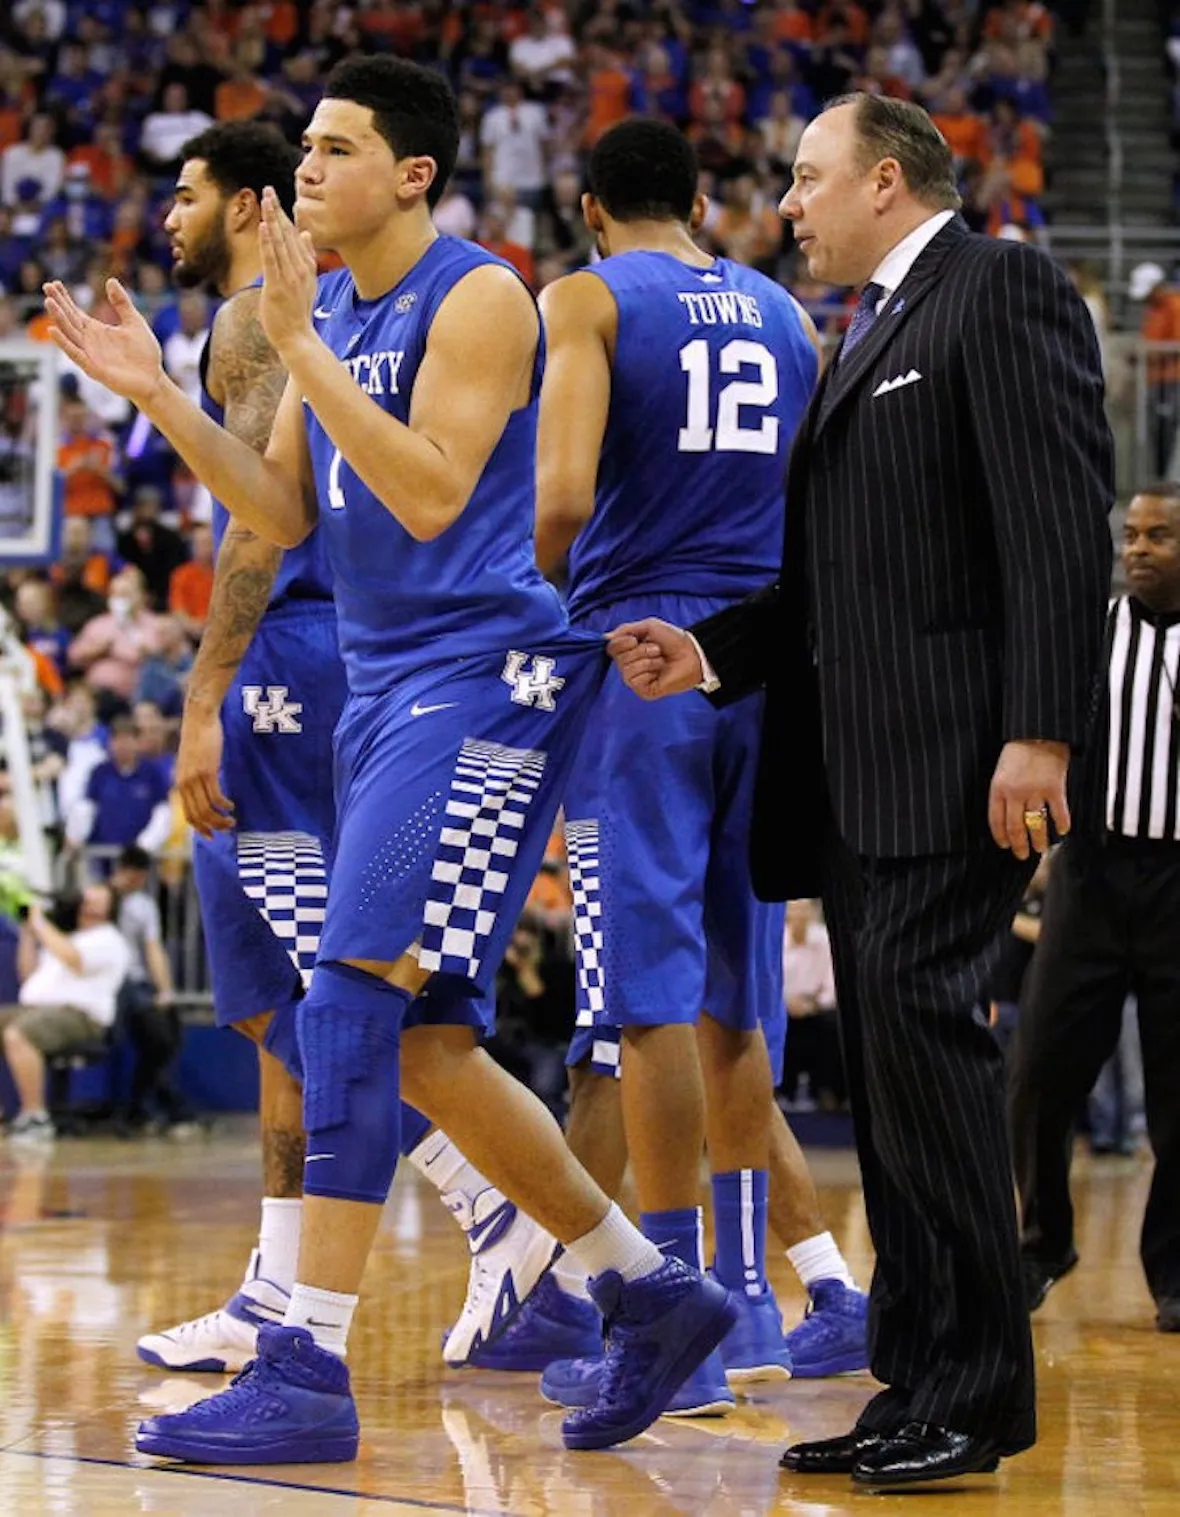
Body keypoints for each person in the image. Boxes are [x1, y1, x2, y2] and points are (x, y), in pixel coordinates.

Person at [46, 60, 735, 1464]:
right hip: (384, 683)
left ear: (412, 173)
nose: (305, 168)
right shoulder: (339, 304)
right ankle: (647, 1291)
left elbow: (427, 490)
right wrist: (167, 399)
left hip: (487, 680)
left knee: (348, 1004)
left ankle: (303, 1361)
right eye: (304, 146)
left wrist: (296, 348)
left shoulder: (476, 294)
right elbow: (287, 510)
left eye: (336, 148)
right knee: (421, 1044)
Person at [609, 93, 1114, 1489]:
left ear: (887, 180)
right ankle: (917, 1383)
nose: (789, 204)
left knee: (932, 1067)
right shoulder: (864, 330)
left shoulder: (997, 285)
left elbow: (1062, 529)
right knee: (895, 1085)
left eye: (807, 178)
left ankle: (978, 1396)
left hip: (961, 765)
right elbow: (837, 580)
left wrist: (1042, 734)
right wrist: (708, 651)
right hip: (862, 773)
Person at [126, 121, 552, 1386]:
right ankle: (283, 1283)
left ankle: (494, 1211)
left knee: (312, 989)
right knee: (292, 993)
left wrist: (208, 690)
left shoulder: (273, 316)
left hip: (308, 653)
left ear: (247, 202)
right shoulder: (296, 308)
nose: (169, 217)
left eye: (189, 195)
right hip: (333, 654)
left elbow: (265, 534)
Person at [484, 118, 865, 1410]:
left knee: (643, 996)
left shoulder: (584, 295)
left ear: (590, 209)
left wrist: (550, 600)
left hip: (645, 657)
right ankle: (758, 1306)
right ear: (701, 201)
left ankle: (675, 1323)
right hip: (766, 657)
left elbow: (561, 499)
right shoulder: (781, 310)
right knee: (734, 995)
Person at [1009, 486, 1180, 1332]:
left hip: (1178, 886)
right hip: (1091, 876)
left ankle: (1174, 1271)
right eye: (1133, 533)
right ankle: (1043, 1242)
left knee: (1178, 1098)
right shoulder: (1094, 630)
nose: (1139, 548)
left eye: (1160, 535)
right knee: (1038, 1070)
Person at [0, 886, 131, 1144]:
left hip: (80, 1017)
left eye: (97, 900)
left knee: (19, 1034)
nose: (88, 904)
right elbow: (27, 974)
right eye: (86, 898)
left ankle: (35, 1116)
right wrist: (28, 933)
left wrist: (40, 924)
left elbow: (75, 960)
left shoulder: (109, 939)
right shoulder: (67, 937)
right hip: (36, 1010)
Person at [110, 844, 190, 1131]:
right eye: (131, 874)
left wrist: (165, 990)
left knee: (164, 1034)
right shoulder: (98, 898)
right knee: (152, 1030)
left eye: (141, 876)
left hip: (134, 981)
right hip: (106, 980)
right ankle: (165, 1107)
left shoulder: (143, 906)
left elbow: (153, 949)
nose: (135, 881)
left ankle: (142, 1104)